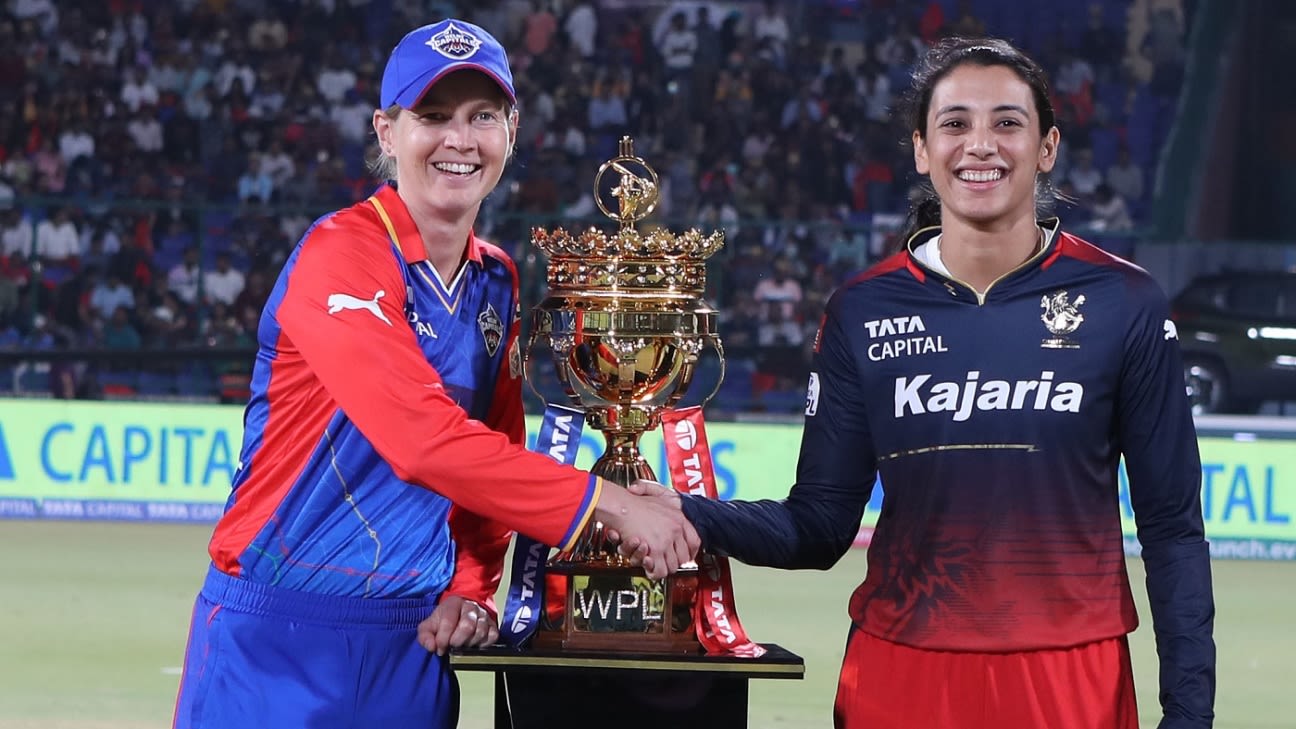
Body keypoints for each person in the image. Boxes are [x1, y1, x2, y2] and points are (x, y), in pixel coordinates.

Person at [645, 37, 1215, 729]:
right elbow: (819, 526)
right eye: (955, 123)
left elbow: (1172, 528)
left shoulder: (1124, 301)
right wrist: (690, 512)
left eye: (1007, 122)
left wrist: (1190, 715)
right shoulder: (862, 309)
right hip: (900, 671)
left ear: (1047, 147)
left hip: (1071, 676)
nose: (981, 144)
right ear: (922, 149)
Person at [171, 19, 698, 729]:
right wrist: (612, 503)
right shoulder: (340, 253)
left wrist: (472, 587)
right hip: (276, 643)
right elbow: (422, 439)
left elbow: (495, 454)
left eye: (482, 116)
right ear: (387, 133)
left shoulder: (497, 281)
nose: (460, 139)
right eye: (433, 116)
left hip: (414, 647)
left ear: (512, 131)